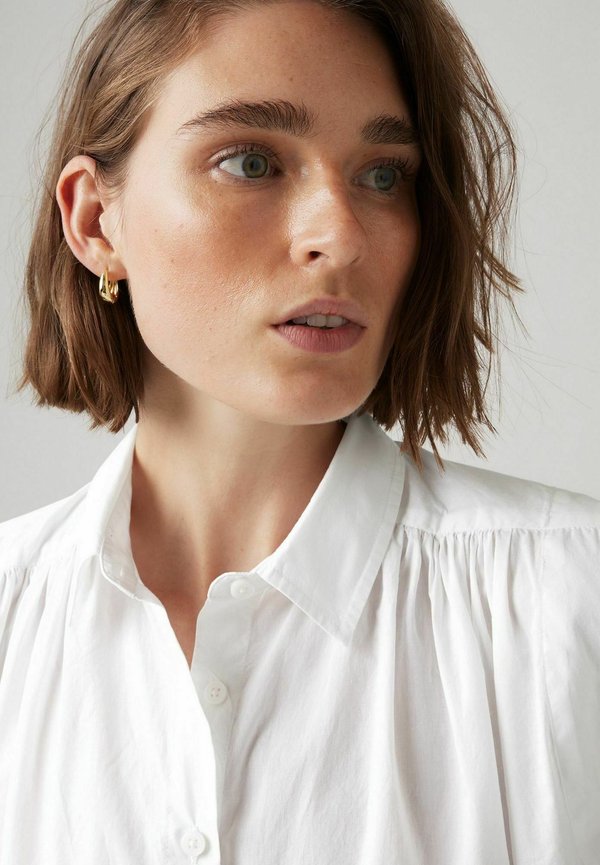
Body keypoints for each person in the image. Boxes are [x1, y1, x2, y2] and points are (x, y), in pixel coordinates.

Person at [1, 0, 598, 862]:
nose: (341, 236)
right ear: (96, 222)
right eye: (250, 162)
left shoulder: (570, 606)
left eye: (383, 175)